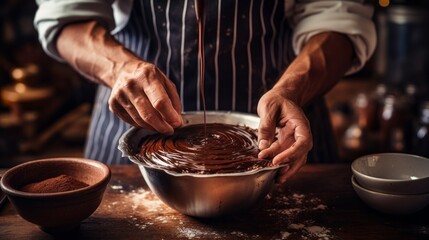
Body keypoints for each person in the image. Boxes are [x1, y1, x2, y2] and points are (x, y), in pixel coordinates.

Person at [34, 0, 376, 184]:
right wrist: (119, 67)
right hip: (131, 119)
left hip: (284, 132)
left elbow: (339, 17)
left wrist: (292, 90)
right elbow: (65, 16)